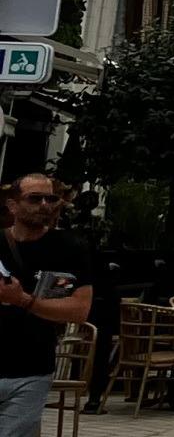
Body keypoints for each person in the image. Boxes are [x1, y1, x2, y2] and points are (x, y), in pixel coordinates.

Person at [0, 174, 94, 437]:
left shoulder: (70, 248)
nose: (45, 204)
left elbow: (80, 309)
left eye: (51, 198)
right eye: (34, 198)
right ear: (13, 205)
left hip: (30, 369)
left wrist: (23, 301)